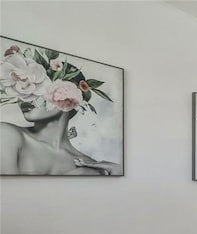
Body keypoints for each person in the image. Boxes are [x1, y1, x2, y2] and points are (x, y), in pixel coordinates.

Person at [0, 44, 121, 176]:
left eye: (40, 89)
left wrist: (116, 173)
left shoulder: (89, 164)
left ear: (70, 100)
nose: (26, 97)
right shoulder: (7, 135)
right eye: (23, 88)